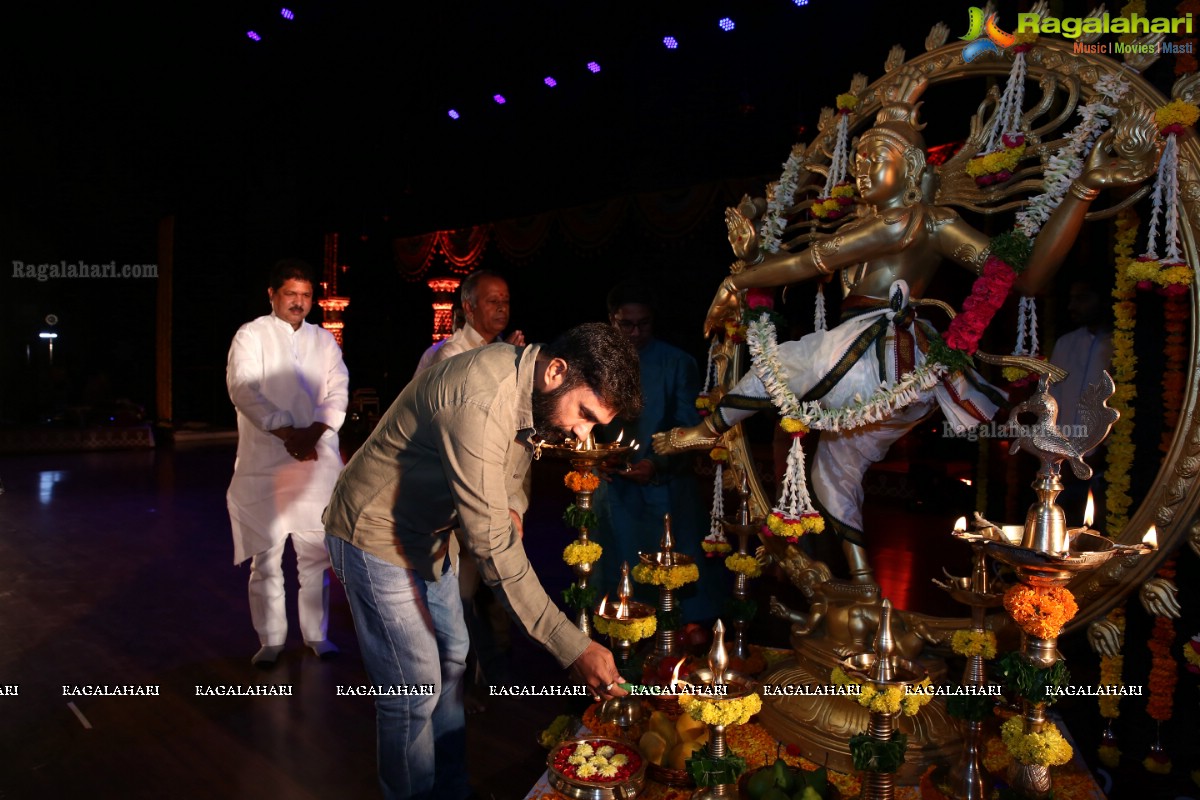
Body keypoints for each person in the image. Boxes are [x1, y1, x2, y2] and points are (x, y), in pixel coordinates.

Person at [654, 68, 1156, 585]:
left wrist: (1082, 188)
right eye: (859, 160)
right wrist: (756, 259)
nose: (864, 169)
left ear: (913, 166)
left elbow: (811, 264)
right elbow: (798, 261)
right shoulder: (883, 223)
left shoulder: (910, 220)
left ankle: (706, 429)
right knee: (833, 473)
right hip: (890, 371)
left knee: (784, 363)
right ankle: (864, 583)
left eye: (879, 158)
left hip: (877, 351)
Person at [323, 323, 642, 800]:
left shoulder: (527, 378)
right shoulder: (479, 400)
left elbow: (515, 456)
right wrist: (573, 648)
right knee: (413, 693)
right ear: (557, 370)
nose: (583, 434)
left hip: (433, 535)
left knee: (453, 660)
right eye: (585, 415)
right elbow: (494, 549)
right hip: (375, 536)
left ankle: (451, 791)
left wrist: (513, 503)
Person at [226, 258, 348, 666]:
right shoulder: (251, 335)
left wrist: (312, 433)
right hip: (267, 462)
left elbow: (338, 392)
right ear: (272, 294)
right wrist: (286, 433)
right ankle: (271, 639)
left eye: (306, 295)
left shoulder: (324, 341)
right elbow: (243, 390)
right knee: (267, 555)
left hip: (315, 460)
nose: (299, 303)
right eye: (290, 294)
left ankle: (316, 635)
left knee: (315, 554)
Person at [593, 280, 719, 621]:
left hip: (664, 491)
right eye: (626, 324)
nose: (635, 332)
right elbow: (584, 421)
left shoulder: (677, 363)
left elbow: (687, 423)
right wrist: (595, 459)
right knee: (617, 577)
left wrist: (655, 462)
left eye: (643, 323)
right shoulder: (597, 364)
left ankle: (674, 655)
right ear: (610, 320)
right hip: (614, 492)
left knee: (671, 583)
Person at [1048, 279, 1114, 521]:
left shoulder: (1122, 344)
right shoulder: (1065, 343)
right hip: (1063, 460)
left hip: (1104, 463)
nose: (1072, 306)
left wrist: (1101, 452)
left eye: (1082, 298)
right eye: (1072, 299)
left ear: (1104, 300)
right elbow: (1051, 398)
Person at [413, 270, 524, 377]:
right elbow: (472, 393)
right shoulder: (452, 353)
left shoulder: (505, 347)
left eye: (506, 301)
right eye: (493, 301)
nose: (502, 308)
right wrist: (503, 359)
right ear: (469, 308)